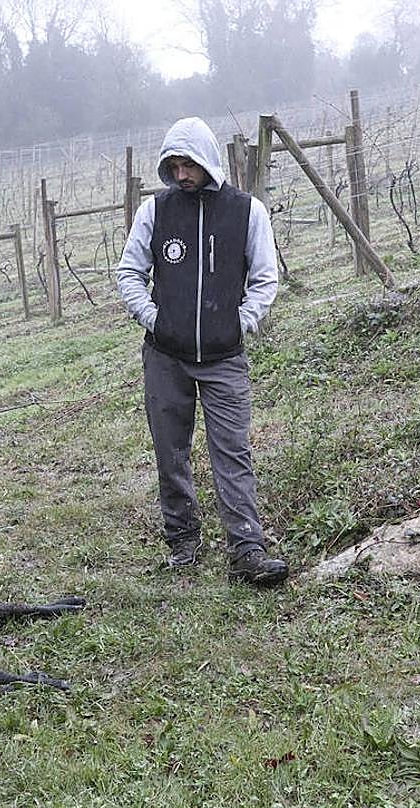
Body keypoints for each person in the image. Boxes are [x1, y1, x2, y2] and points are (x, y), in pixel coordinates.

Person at [116, 116, 287, 587]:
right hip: (164, 357)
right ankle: (182, 539)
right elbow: (129, 273)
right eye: (172, 165)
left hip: (224, 357)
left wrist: (239, 323)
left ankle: (247, 548)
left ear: (207, 161)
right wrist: (156, 321)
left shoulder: (247, 212)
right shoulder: (155, 211)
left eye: (187, 164)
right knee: (170, 450)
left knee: (232, 450)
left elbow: (265, 278)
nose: (180, 174)